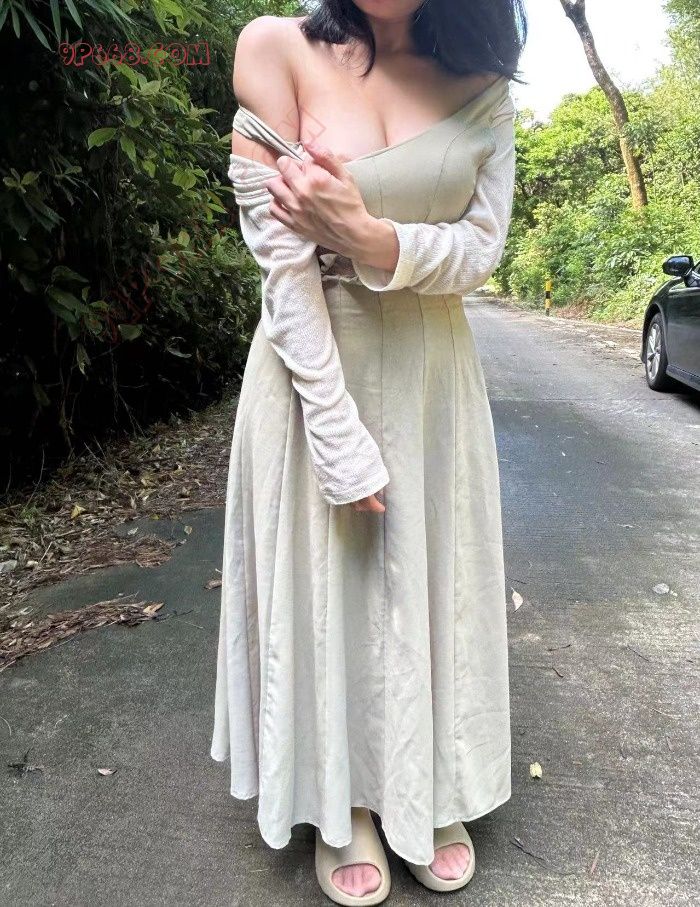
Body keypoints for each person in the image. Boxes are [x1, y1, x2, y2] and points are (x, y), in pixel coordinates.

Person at [210, 2, 527, 904]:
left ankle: (430, 782)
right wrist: (337, 433)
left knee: (430, 576)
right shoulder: (275, 48)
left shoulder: (484, 82)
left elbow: (481, 250)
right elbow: (281, 266)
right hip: (311, 371)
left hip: (433, 377)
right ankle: (341, 799)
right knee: (332, 582)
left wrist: (368, 236)